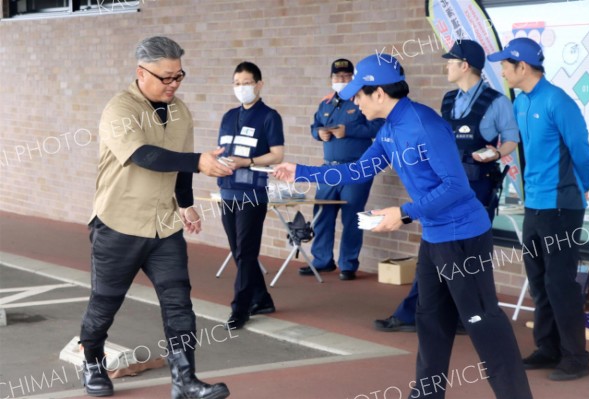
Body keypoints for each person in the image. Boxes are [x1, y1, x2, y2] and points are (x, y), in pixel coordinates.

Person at [274, 53, 532, 399]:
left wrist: (404, 212)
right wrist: (303, 172)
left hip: (463, 236)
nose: (353, 101)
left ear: (378, 93)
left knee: (482, 322)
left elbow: (456, 187)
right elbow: (358, 170)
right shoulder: (390, 128)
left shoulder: (423, 125)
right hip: (436, 236)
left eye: (358, 94)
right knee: (429, 318)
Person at [80, 36, 231, 399]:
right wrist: (197, 160)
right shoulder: (119, 110)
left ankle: (185, 380)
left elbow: (179, 167)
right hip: (119, 223)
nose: (174, 84)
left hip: (165, 226)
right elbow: (145, 156)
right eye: (166, 77)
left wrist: (186, 203)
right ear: (141, 73)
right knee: (105, 303)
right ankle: (93, 364)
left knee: (179, 302)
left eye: (179, 76)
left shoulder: (180, 112)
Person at [374, 39, 519, 333]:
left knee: (469, 259)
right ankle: (416, 313)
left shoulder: (498, 102)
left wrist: (496, 153)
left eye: (451, 62)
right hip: (444, 187)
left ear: (465, 66)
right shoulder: (448, 99)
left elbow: (512, 141)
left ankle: (472, 318)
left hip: (478, 186)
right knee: (434, 250)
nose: (446, 66)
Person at [488, 37, 589, 381]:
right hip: (533, 205)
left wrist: (578, 187)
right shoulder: (520, 103)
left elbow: (582, 152)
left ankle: (576, 357)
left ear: (523, 67)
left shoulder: (557, 101)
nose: (502, 70)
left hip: (561, 206)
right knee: (538, 280)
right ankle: (547, 348)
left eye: (506, 64)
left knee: (559, 282)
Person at [298, 58, 383, 281]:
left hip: (356, 169)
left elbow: (378, 126)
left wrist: (350, 130)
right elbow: (314, 126)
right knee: (322, 214)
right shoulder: (326, 103)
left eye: (346, 77)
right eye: (337, 77)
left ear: (353, 79)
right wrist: (319, 134)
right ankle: (322, 261)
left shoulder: (363, 99)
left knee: (352, 216)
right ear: (331, 79)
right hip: (329, 170)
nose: (341, 80)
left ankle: (348, 264)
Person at [217, 62, 284, 330]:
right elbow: (222, 151)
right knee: (238, 250)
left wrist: (248, 161)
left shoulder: (269, 116)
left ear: (259, 84)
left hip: (252, 192)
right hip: (228, 190)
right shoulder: (228, 116)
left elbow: (277, 155)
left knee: (246, 251)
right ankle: (262, 298)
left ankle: (240, 309)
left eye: (246, 83)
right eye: (237, 83)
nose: (241, 88)